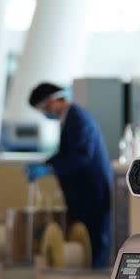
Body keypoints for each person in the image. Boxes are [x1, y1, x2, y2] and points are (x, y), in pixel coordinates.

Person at [26, 83, 112, 268]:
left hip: (91, 194)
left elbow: (80, 156)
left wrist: (49, 169)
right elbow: (67, 153)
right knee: (85, 245)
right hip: (83, 195)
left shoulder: (79, 119)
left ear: (51, 101)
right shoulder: (69, 120)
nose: (44, 114)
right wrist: (47, 165)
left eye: (43, 109)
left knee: (93, 246)